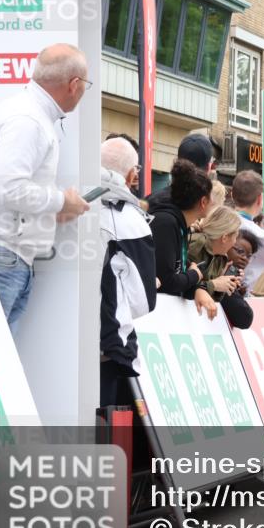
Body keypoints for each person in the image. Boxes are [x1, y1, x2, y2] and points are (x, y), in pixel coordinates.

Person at [0, 43, 92, 330]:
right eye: (86, 85)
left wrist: (52, 209)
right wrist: (60, 202)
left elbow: (8, 190)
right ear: (75, 84)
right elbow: (7, 187)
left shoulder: (28, 114)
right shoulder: (28, 120)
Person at [98, 137, 157, 407]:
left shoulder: (64, 199)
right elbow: (142, 301)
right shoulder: (129, 219)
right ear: (132, 174)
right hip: (107, 345)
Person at [148, 159, 218, 321]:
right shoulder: (166, 222)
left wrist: (196, 288)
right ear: (203, 202)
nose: (214, 202)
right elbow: (167, 280)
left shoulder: (177, 221)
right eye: (211, 197)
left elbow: (176, 266)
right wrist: (195, 275)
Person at [188, 206, 254, 329]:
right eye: (235, 237)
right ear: (224, 238)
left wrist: (227, 286)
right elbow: (181, 287)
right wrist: (214, 285)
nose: (235, 242)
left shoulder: (220, 258)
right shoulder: (195, 247)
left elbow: (212, 296)